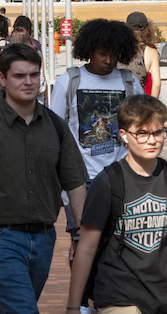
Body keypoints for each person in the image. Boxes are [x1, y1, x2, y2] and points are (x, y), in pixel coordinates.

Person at [0, 43, 88, 312]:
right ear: (2, 79)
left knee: (11, 307)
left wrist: (81, 237)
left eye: (33, 75)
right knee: (23, 309)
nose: (28, 82)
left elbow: (76, 185)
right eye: (19, 76)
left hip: (44, 238)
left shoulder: (56, 127)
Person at [67, 95, 167, 314]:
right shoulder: (108, 182)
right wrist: (73, 305)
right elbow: (87, 248)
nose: (152, 140)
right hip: (119, 295)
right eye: (142, 133)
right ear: (123, 135)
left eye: (157, 132)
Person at [49, 18, 142, 309]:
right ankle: (81, 303)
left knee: (118, 246)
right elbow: (55, 132)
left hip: (120, 179)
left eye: (114, 54)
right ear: (89, 50)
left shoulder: (129, 82)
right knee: (81, 244)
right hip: (81, 182)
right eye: (103, 53)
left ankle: (111, 299)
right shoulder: (69, 81)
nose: (109, 61)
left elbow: (142, 128)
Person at [124, 11, 162, 97]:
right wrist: (152, 103)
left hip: (118, 98)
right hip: (138, 100)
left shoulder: (117, 48)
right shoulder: (150, 51)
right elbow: (156, 83)